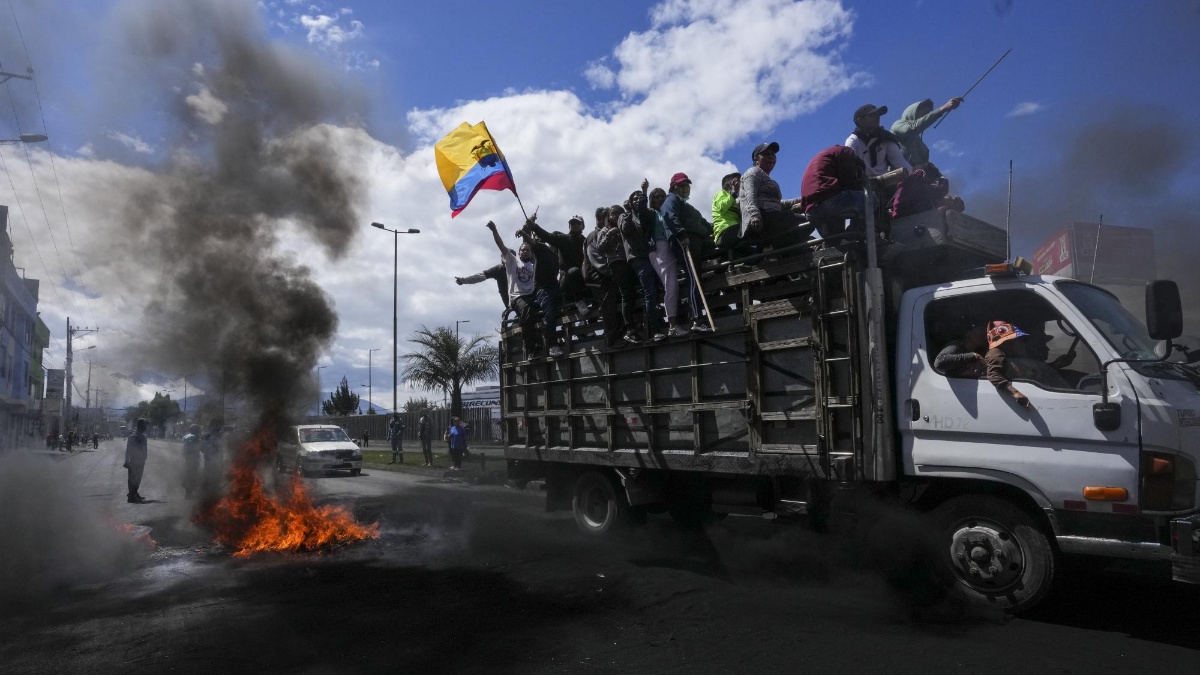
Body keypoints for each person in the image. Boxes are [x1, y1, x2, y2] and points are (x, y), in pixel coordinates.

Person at [487, 220, 564, 357]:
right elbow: (503, 245)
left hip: (536, 293)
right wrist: (495, 230)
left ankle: (553, 339)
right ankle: (536, 348)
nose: (525, 251)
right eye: (523, 249)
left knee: (549, 309)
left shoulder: (538, 263)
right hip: (519, 297)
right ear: (519, 252)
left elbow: (533, 246)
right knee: (529, 311)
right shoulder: (513, 261)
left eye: (527, 250)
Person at [658, 173, 714, 333]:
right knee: (693, 277)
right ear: (674, 187)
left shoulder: (688, 206)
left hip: (696, 242)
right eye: (681, 186)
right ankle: (697, 318)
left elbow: (704, 223)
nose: (685, 189)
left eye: (687, 186)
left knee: (696, 277)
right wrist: (681, 235)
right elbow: (669, 215)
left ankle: (698, 316)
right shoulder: (671, 200)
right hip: (685, 242)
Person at [586, 203, 642, 347]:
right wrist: (612, 273)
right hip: (602, 276)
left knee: (629, 294)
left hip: (621, 268)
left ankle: (632, 328)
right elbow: (597, 258)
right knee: (610, 302)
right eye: (602, 217)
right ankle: (613, 338)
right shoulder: (596, 235)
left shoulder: (621, 228)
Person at [739, 142, 813, 250]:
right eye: (766, 154)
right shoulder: (753, 172)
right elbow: (750, 195)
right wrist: (755, 215)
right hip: (761, 218)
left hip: (772, 218)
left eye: (773, 154)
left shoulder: (767, 178)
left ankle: (777, 251)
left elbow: (778, 203)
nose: (771, 157)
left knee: (805, 224)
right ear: (756, 158)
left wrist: (803, 199)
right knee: (807, 221)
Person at [619, 195, 667, 342]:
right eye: (634, 198)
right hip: (637, 259)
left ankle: (661, 323)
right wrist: (627, 211)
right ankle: (655, 330)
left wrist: (644, 193)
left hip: (649, 255)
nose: (638, 200)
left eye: (640, 197)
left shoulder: (644, 215)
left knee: (659, 288)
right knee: (649, 293)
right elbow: (626, 229)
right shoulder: (624, 216)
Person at [525, 214, 592, 315]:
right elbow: (548, 237)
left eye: (578, 223)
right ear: (569, 226)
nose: (575, 225)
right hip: (567, 279)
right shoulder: (563, 238)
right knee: (574, 271)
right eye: (572, 223)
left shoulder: (586, 241)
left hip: (583, 279)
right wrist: (535, 227)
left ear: (583, 226)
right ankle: (579, 301)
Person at [799, 145, 867, 238]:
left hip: (811, 210)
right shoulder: (848, 152)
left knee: (836, 239)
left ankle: (846, 242)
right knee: (871, 199)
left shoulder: (829, 155)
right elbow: (849, 181)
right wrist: (860, 185)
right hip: (829, 201)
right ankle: (858, 236)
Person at [890, 97, 963, 169]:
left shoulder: (922, 147)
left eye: (928, 114)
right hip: (896, 176)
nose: (925, 116)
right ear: (913, 112)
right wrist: (943, 108)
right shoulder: (898, 124)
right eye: (924, 113)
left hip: (915, 179)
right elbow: (914, 127)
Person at [845, 104, 912, 178]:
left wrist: (915, 175)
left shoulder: (886, 138)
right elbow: (848, 167)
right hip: (861, 185)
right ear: (860, 120)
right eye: (872, 115)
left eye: (878, 115)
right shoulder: (853, 141)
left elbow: (899, 162)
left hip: (885, 183)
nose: (877, 118)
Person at [712, 172, 748, 259]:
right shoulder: (721, 194)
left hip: (733, 231)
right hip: (725, 231)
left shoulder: (734, 201)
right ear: (730, 184)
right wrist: (733, 193)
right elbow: (722, 207)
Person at [124, 418, 149, 503]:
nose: (146, 426)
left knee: (138, 479)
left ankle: (134, 493)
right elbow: (128, 450)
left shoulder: (144, 436)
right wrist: (127, 461)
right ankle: (131, 496)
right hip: (134, 461)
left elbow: (145, 449)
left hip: (141, 461)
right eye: (145, 424)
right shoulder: (133, 437)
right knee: (132, 479)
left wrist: (145, 457)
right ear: (140, 425)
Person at [201, 418, 223, 490]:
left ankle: (214, 492)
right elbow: (202, 448)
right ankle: (205, 493)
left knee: (217, 478)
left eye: (219, 425)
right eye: (216, 425)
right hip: (209, 460)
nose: (218, 427)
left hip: (218, 461)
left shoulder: (221, 436)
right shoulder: (206, 436)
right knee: (208, 477)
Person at [181, 423, 201, 498]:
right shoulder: (193, 437)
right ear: (194, 430)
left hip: (188, 458)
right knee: (192, 475)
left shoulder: (186, 436)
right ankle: (189, 493)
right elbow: (194, 448)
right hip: (192, 459)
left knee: (189, 475)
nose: (199, 431)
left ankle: (188, 492)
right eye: (197, 429)